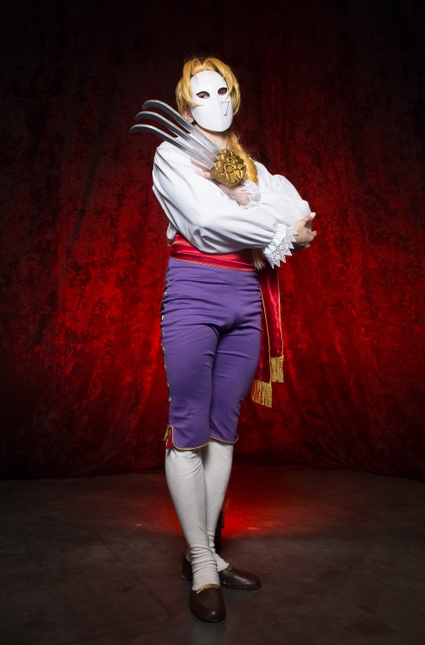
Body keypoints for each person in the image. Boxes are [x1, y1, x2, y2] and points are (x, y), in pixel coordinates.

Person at [150, 55, 317, 622]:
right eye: (202, 93)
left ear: (235, 96)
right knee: (188, 426)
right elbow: (206, 224)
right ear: (185, 104)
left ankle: (207, 554)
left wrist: (255, 201)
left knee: (223, 428)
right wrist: (274, 225)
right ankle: (202, 564)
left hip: (246, 299)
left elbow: (302, 213)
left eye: (223, 90)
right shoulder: (172, 154)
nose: (215, 100)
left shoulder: (250, 167)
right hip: (193, 293)